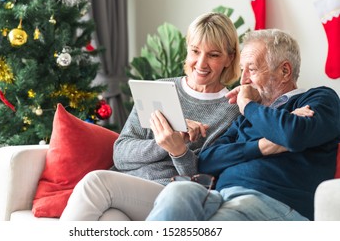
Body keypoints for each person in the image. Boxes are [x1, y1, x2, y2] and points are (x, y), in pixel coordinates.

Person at [60, 12, 242, 220]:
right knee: (108, 220)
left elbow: (202, 182)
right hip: (125, 191)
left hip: (168, 194)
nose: (201, 63)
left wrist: (179, 151)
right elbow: (120, 155)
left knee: (95, 183)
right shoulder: (158, 89)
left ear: (229, 58)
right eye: (195, 51)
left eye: (214, 55)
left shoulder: (231, 111)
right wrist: (162, 142)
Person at [145, 28, 340, 221]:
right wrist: (262, 146)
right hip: (220, 196)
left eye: (252, 70)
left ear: (285, 71)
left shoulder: (320, 99)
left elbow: (292, 135)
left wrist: (247, 105)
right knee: (178, 191)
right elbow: (207, 160)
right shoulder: (248, 118)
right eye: (242, 70)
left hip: (274, 203)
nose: (243, 79)